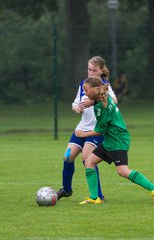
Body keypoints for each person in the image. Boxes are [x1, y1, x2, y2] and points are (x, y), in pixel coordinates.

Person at [75, 76, 154, 205]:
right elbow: (100, 104)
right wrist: (92, 102)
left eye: (86, 90)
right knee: (89, 162)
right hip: (111, 140)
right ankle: (95, 197)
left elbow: (100, 131)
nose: (84, 93)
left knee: (122, 171)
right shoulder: (104, 97)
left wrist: (83, 134)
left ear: (95, 90)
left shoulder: (101, 108)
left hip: (117, 140)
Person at [56, 56, 118, 202]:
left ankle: (98, 196)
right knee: (68, 156)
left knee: (87, 158)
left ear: (101, 71)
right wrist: (76, 107)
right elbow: (75, 103)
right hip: (82, 127)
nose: (90, 72)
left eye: (94, 70)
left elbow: (114, 101)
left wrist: (94, 100)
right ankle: (66, 189)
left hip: (96, 130)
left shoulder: (105, 86)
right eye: (89, 69)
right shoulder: (84, 84)